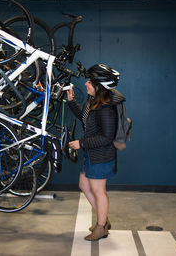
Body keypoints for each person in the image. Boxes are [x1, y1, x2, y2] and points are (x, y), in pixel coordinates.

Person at [66, 63, 125, 241]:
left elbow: (107, 137)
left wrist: (81, 143)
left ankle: (101, 227)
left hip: (101, 156)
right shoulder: (94, 101)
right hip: (93, 154)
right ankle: (103, 219)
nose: (86, 84)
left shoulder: (106, 108)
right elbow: (84, 117)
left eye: (89, 82)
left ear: (99, 86)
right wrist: (71, 101)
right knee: (84, 185)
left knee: (99, 191)